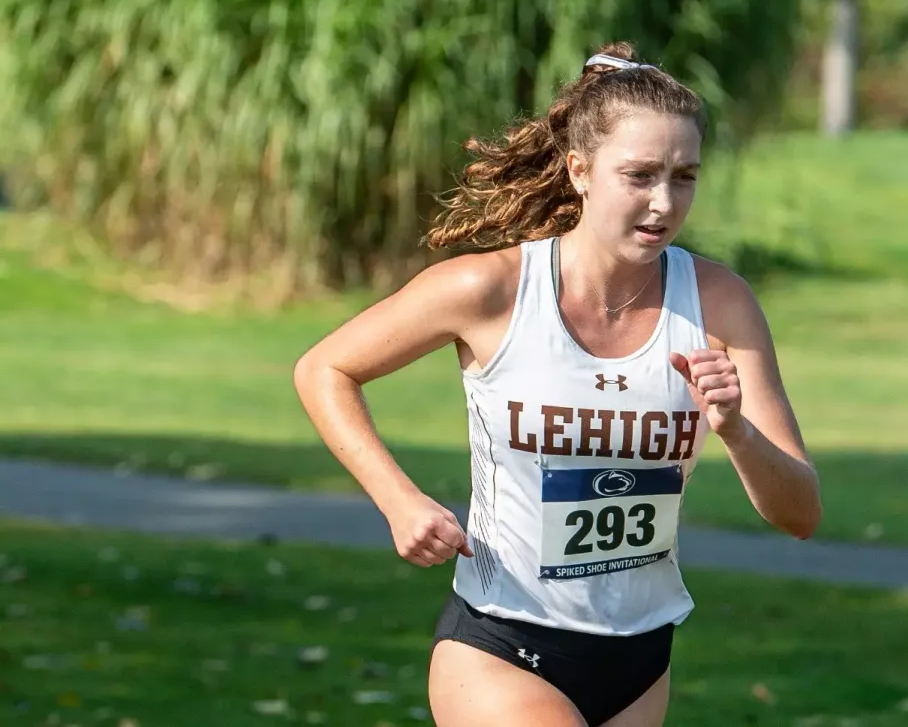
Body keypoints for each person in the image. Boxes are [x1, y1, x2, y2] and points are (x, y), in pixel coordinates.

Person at [293, 40, 822, 727]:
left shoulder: (719, 303)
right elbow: (325, 369)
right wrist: (398, 502)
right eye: (639, 175)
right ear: (579, 170)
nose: (664, 203)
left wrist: (736, 430)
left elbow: (800, 513)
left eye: (684, 176)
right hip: (504, 643)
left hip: (641, 657)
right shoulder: (492, 289)